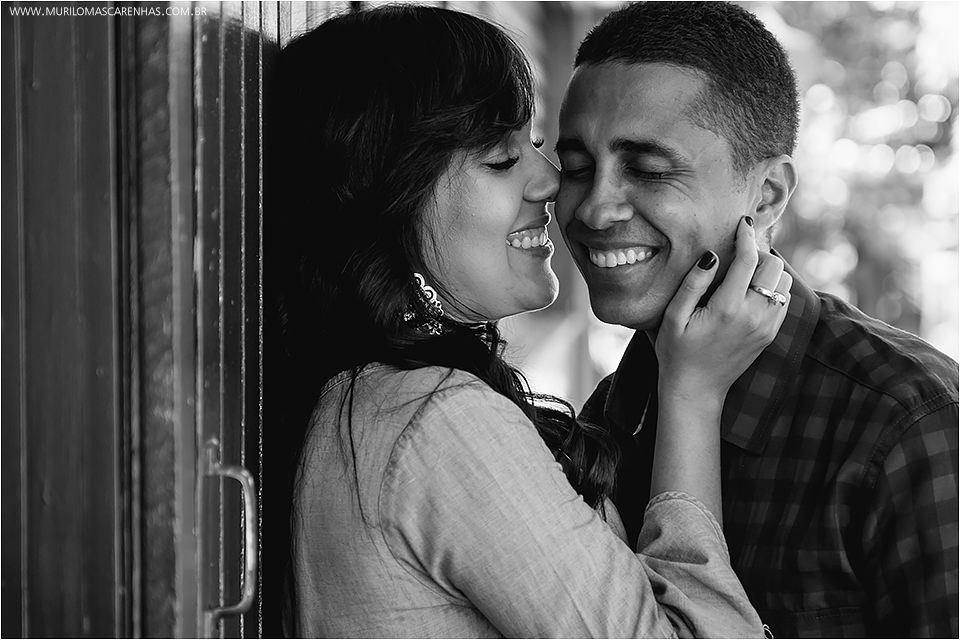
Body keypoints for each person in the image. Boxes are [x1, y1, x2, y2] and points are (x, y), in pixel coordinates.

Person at [264, 5, 793, 637]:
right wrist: (692, 396)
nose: (554, 182)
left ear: (767, 197)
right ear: (392, 199)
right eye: (500, 157)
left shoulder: (369, 399)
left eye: (537, 147)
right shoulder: (435, 421)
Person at [555, 2, 959, 637]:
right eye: (576, 168)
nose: (594, 208)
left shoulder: (908, 417)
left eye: (650, 171)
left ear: (767, 195)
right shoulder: (616, 408)